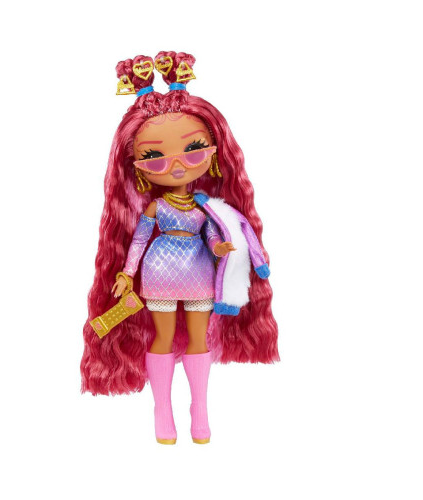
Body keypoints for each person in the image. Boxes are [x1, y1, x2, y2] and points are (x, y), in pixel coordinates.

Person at [81, 52, 279, 445]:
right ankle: (162, 411)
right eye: (154, 157)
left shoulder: (206, 207)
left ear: (215, 153)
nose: (176, 165)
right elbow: (139, 240)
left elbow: (211, 237)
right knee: (163, 337)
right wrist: (127, 273)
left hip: (199, 271)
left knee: (199, 338)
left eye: (194, 149)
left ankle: (199, 409)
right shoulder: (156, 208)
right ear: (137, 167)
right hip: (158, 272)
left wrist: (221, 248)